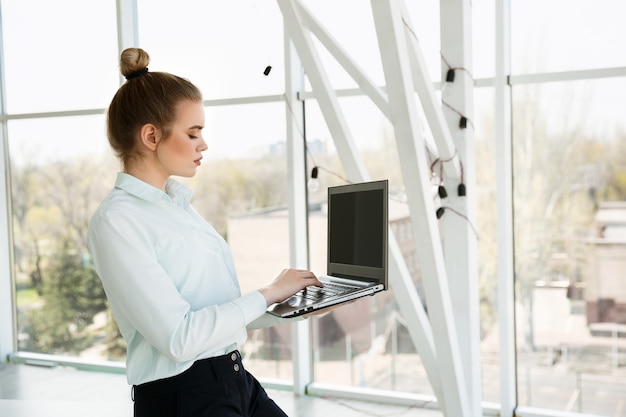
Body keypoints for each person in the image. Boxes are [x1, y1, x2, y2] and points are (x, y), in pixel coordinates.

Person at [87, 47, 323, 417]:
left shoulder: (177, 206)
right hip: (184, 397)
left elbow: (209, 314)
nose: (204, 144)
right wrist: (266, 293)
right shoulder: (118, 221)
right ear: (151, 136)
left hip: (233, 378)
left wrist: (285, 307)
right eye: (193, 132)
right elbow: (179, 339)